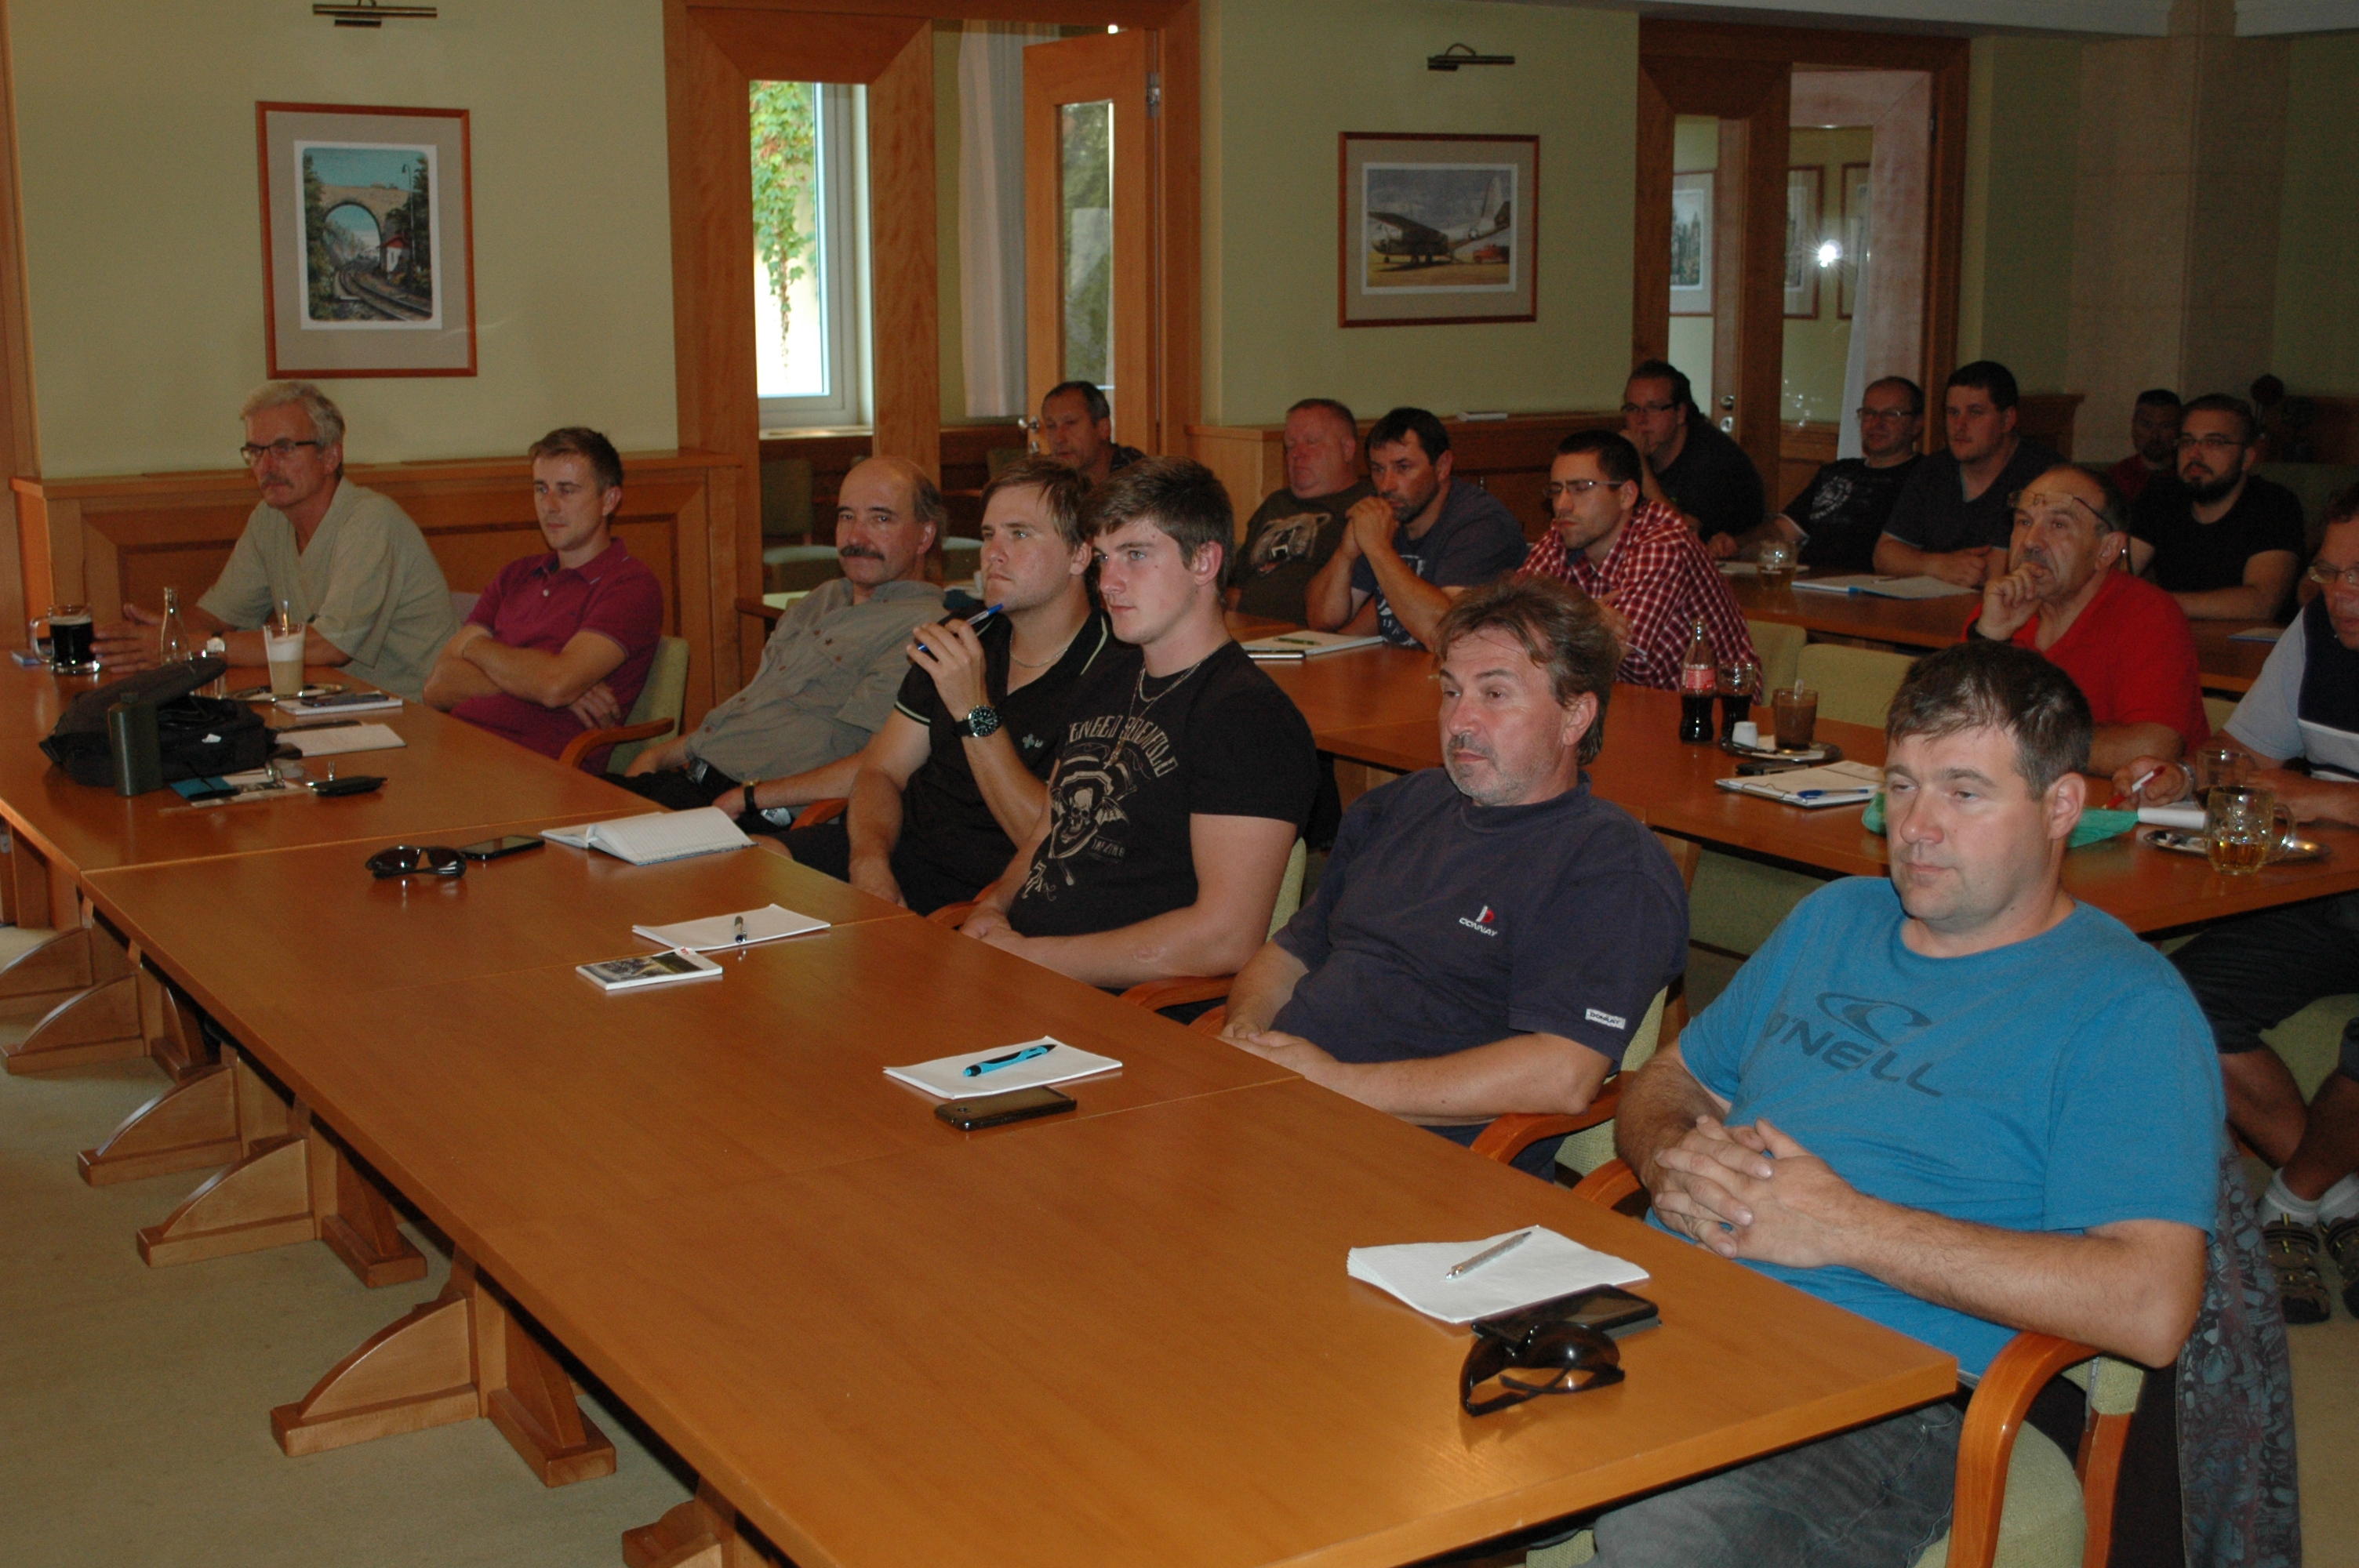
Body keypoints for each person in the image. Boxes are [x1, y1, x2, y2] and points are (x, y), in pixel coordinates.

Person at [1590, 638, 2219, 1566]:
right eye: (1901, 784)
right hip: (1673, 1304)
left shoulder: (2126, 1008)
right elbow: (1668, 1076)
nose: (1914, 825)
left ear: (2060, 806)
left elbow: (2152, 1303)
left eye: (1963, 792)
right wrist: (1668, 1157)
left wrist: (1845, 1226)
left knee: (1661, 1535)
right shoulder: (1833, 916)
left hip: (1884, 1388)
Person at [1218, 577, 1687, 1178]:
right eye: (1450, 691)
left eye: (1494, 693)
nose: (1459, 719)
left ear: (1575, 716)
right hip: (1275, 1111)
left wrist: (1335, 1083)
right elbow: (1289, 955)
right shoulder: (1398, 806)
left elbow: (1564, 1074)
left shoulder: (1608, 865)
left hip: (1416, 1169)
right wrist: (1246, 1035)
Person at [2114, 486, 2359, 1323]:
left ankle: (2289, 1201)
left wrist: (2330, 798)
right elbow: (2243, 754)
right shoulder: (2315, 631)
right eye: (2329, 571)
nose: (2340, 593)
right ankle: (2336, 1198)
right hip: (2327, 889)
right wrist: (2186, 774)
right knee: (2180, 999)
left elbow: (2302, 791)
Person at [958, 458, 1319, 989]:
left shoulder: (1248, 719)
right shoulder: (1109, 675)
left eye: (1136, 555)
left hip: (1121, 1003)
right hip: (1028, 970)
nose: (1109, 582)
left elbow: (1225, 938)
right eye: (1104, 558)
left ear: (1204, 562)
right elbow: (1048, 831)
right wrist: (995, 906)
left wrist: (1031, 957)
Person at [714, 459, 1113, 913]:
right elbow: (882, 771)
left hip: (979, 893)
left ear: (1080, 554)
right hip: (893, 851)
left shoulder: (1110, 669)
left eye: (1019, 534)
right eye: (988, 535)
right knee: (733, 871)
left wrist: (973, 711)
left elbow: (1052, 841)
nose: (993, 554)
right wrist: (869, 863)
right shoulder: (964, 633)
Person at [91, 381, 457, 701]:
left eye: (284, 449)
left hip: (414, 713)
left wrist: (202, 647)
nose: (266, 467)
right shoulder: (269, 519)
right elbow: (218, 616)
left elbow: (328, 646)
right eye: (256, 452)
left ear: (330, 456)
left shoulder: (371, 520)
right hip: (325, 703)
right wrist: (159, 640)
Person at [616, 456, 944, 811]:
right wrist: (657, 756)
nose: (854, 537)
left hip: (754, 808)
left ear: (924, 536)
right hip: (692, 780)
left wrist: (747, 799)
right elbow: (759, 708)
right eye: (846, 516)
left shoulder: (923, 631)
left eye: (881, 519)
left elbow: (877, 765)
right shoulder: (825, 598)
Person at [421, 428, 663, 769]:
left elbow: (554, 685)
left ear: (609, 500)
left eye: (567, 490)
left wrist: (473, 648)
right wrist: (537, 682)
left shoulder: (630, 585)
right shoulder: (515, 575)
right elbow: (437, 686)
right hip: (460, 753)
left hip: (541, 773)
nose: (550, 506)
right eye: (541, 489)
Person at [1967, 463, 2208, 771]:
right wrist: (1990, 636)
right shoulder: (2000, 605)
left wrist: (2017, 741)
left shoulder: (2148, 614)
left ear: (2107, 550)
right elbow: (1953, 725)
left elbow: (2152, 749)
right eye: (2024, 522)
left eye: (2058, 525)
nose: (2031, 541)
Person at [1518, 430, 1757, 689]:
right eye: (1556, 490)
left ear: (1626, 495)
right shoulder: (1562, 534)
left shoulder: (1664, 540)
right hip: (1622, 699)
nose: (1562, 505)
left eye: (1581, 489)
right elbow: (1509, 618)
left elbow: (1610, 656)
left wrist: (1562, 618)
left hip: (1707, 704)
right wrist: (1582, 615)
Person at [1303, 407, 1526, 649]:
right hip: (1397, 666)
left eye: (1403, 468)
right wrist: (1346, 554)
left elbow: (1447, 635)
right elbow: (1322, 619)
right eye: (1378, 469)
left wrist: (1378, 549)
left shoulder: (1481, 525)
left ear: (1442, 467)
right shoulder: (1387, 513)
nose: (1386, 486)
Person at [1875, 361, 2063, 586]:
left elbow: (2005, 568)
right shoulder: (1934, 468)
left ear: (2007, 420)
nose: (1960, 425)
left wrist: (1916, 562)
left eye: (1975, 413)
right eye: (1953, 412)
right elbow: (1884, 555)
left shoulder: (2045, 475)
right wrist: (1937, 565)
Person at [2127, 394, 2305, 622]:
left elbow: (2261, 603)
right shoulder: (2160, 496)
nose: (2195, 454)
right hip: (2176, 635)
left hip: (2251, 642)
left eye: (2213, 443)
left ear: (2246, 458)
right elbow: (2117, 573)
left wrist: (2152, 602)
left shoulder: (2274, 504)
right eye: (2187, 441)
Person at [1723, 376, 1925, 574]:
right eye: (1869, 413)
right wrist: (1736, 544)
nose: (1876, 423)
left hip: (1869, 586)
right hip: (1807, 580)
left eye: (1891, 415)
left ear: (1917, 424)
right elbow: (1783, 531)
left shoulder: (1926, 477)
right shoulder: (1838, 472)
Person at [1226, 397, 1372, 624]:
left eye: (1311, 442)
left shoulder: (1368, 506)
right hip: (1251, 630)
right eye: (1290, 445)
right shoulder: (1275, 503)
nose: (1297, 454)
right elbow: (1234, 588)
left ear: (1347, 449)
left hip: (1319, 633)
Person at [1619, 359, 1765, 554]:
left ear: (1680, 413)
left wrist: (1640, 463)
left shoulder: (1713, 458)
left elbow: (1681, 535)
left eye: (1653, 408)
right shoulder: (1636, 448)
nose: (1640, 419)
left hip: (1729, 565)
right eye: (1632, 409)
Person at [1038, 380, 1142, 488]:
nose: (1059, 439)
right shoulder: (1043, 479)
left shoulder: (1136, 476)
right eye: (1051, 426)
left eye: (1070, 423)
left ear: (1103, 429)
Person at [2108, 388, 2182, 504]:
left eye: (2165, 426)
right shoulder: (2117, 478)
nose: (2155, 436)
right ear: (2134, 425)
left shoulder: (2190, 475)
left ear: (2179, 428)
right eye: (2147, 424)